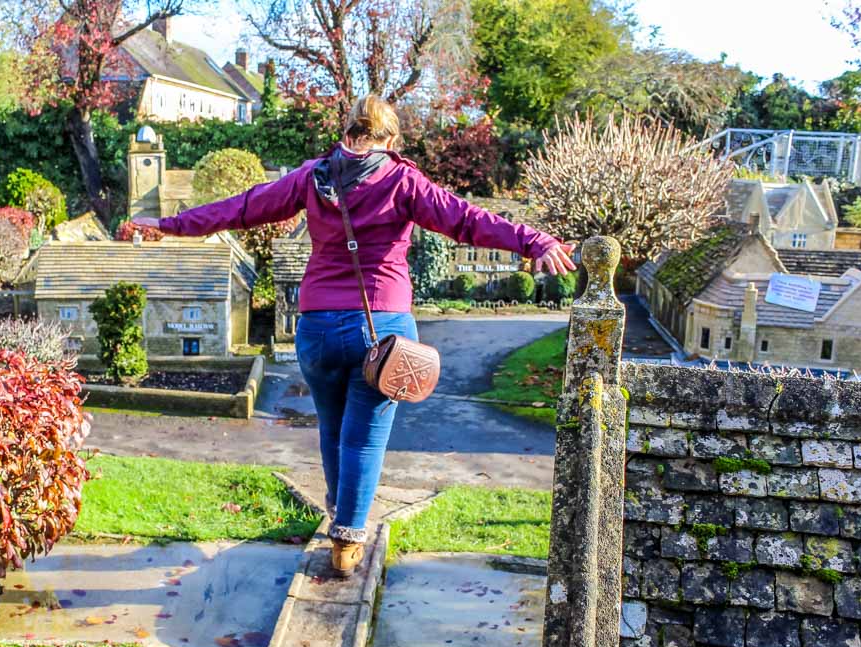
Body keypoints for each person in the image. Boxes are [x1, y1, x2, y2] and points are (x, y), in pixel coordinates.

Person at [134, 95, 576, 577]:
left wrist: (170, 225)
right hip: (381, 328)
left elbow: (243, 208)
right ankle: (346, 541)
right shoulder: (403, 179)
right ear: (390, 138)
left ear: (348, 131)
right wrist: (537, 241)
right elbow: (467, 221)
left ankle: (339, 514)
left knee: (332, 428)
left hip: (318, 325)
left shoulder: (312, 175)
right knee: (363, 440)